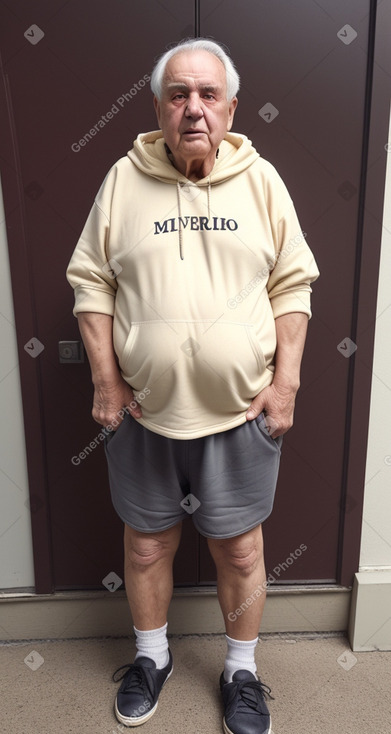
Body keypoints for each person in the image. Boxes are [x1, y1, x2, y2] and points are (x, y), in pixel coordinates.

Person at [67, 37, 319, 734]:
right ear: (156, 108)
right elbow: (90, 280)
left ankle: (241, 670)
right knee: (145, 547)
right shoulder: (123, 179)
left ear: (231, 108)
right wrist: (105, 382)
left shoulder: (261, 182)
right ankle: (151, 657)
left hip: (239, 416)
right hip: (144, 415)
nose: (193, 109)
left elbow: (292, 282)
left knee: (240, 550)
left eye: (208, 95)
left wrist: (285, 388)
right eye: (178, 94)